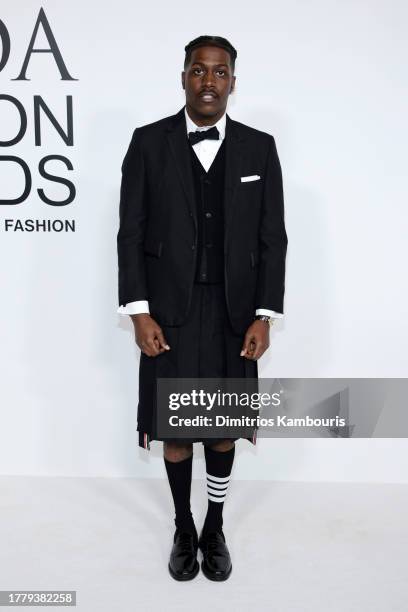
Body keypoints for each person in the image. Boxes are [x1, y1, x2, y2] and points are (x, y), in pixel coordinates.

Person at [116, 35, 288, 581]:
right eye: (198, 70)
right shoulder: (147, 143)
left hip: (235, 314)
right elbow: (130, 234)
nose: (208, 81)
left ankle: (214, 526)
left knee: (219, 425)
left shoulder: (260, 148)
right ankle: (182, 525)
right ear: (183, 77)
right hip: (168, 313)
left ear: (233, 81)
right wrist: (139, 311)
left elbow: (272, 240)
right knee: (176, 429)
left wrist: (265, 312)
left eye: (220, 72)